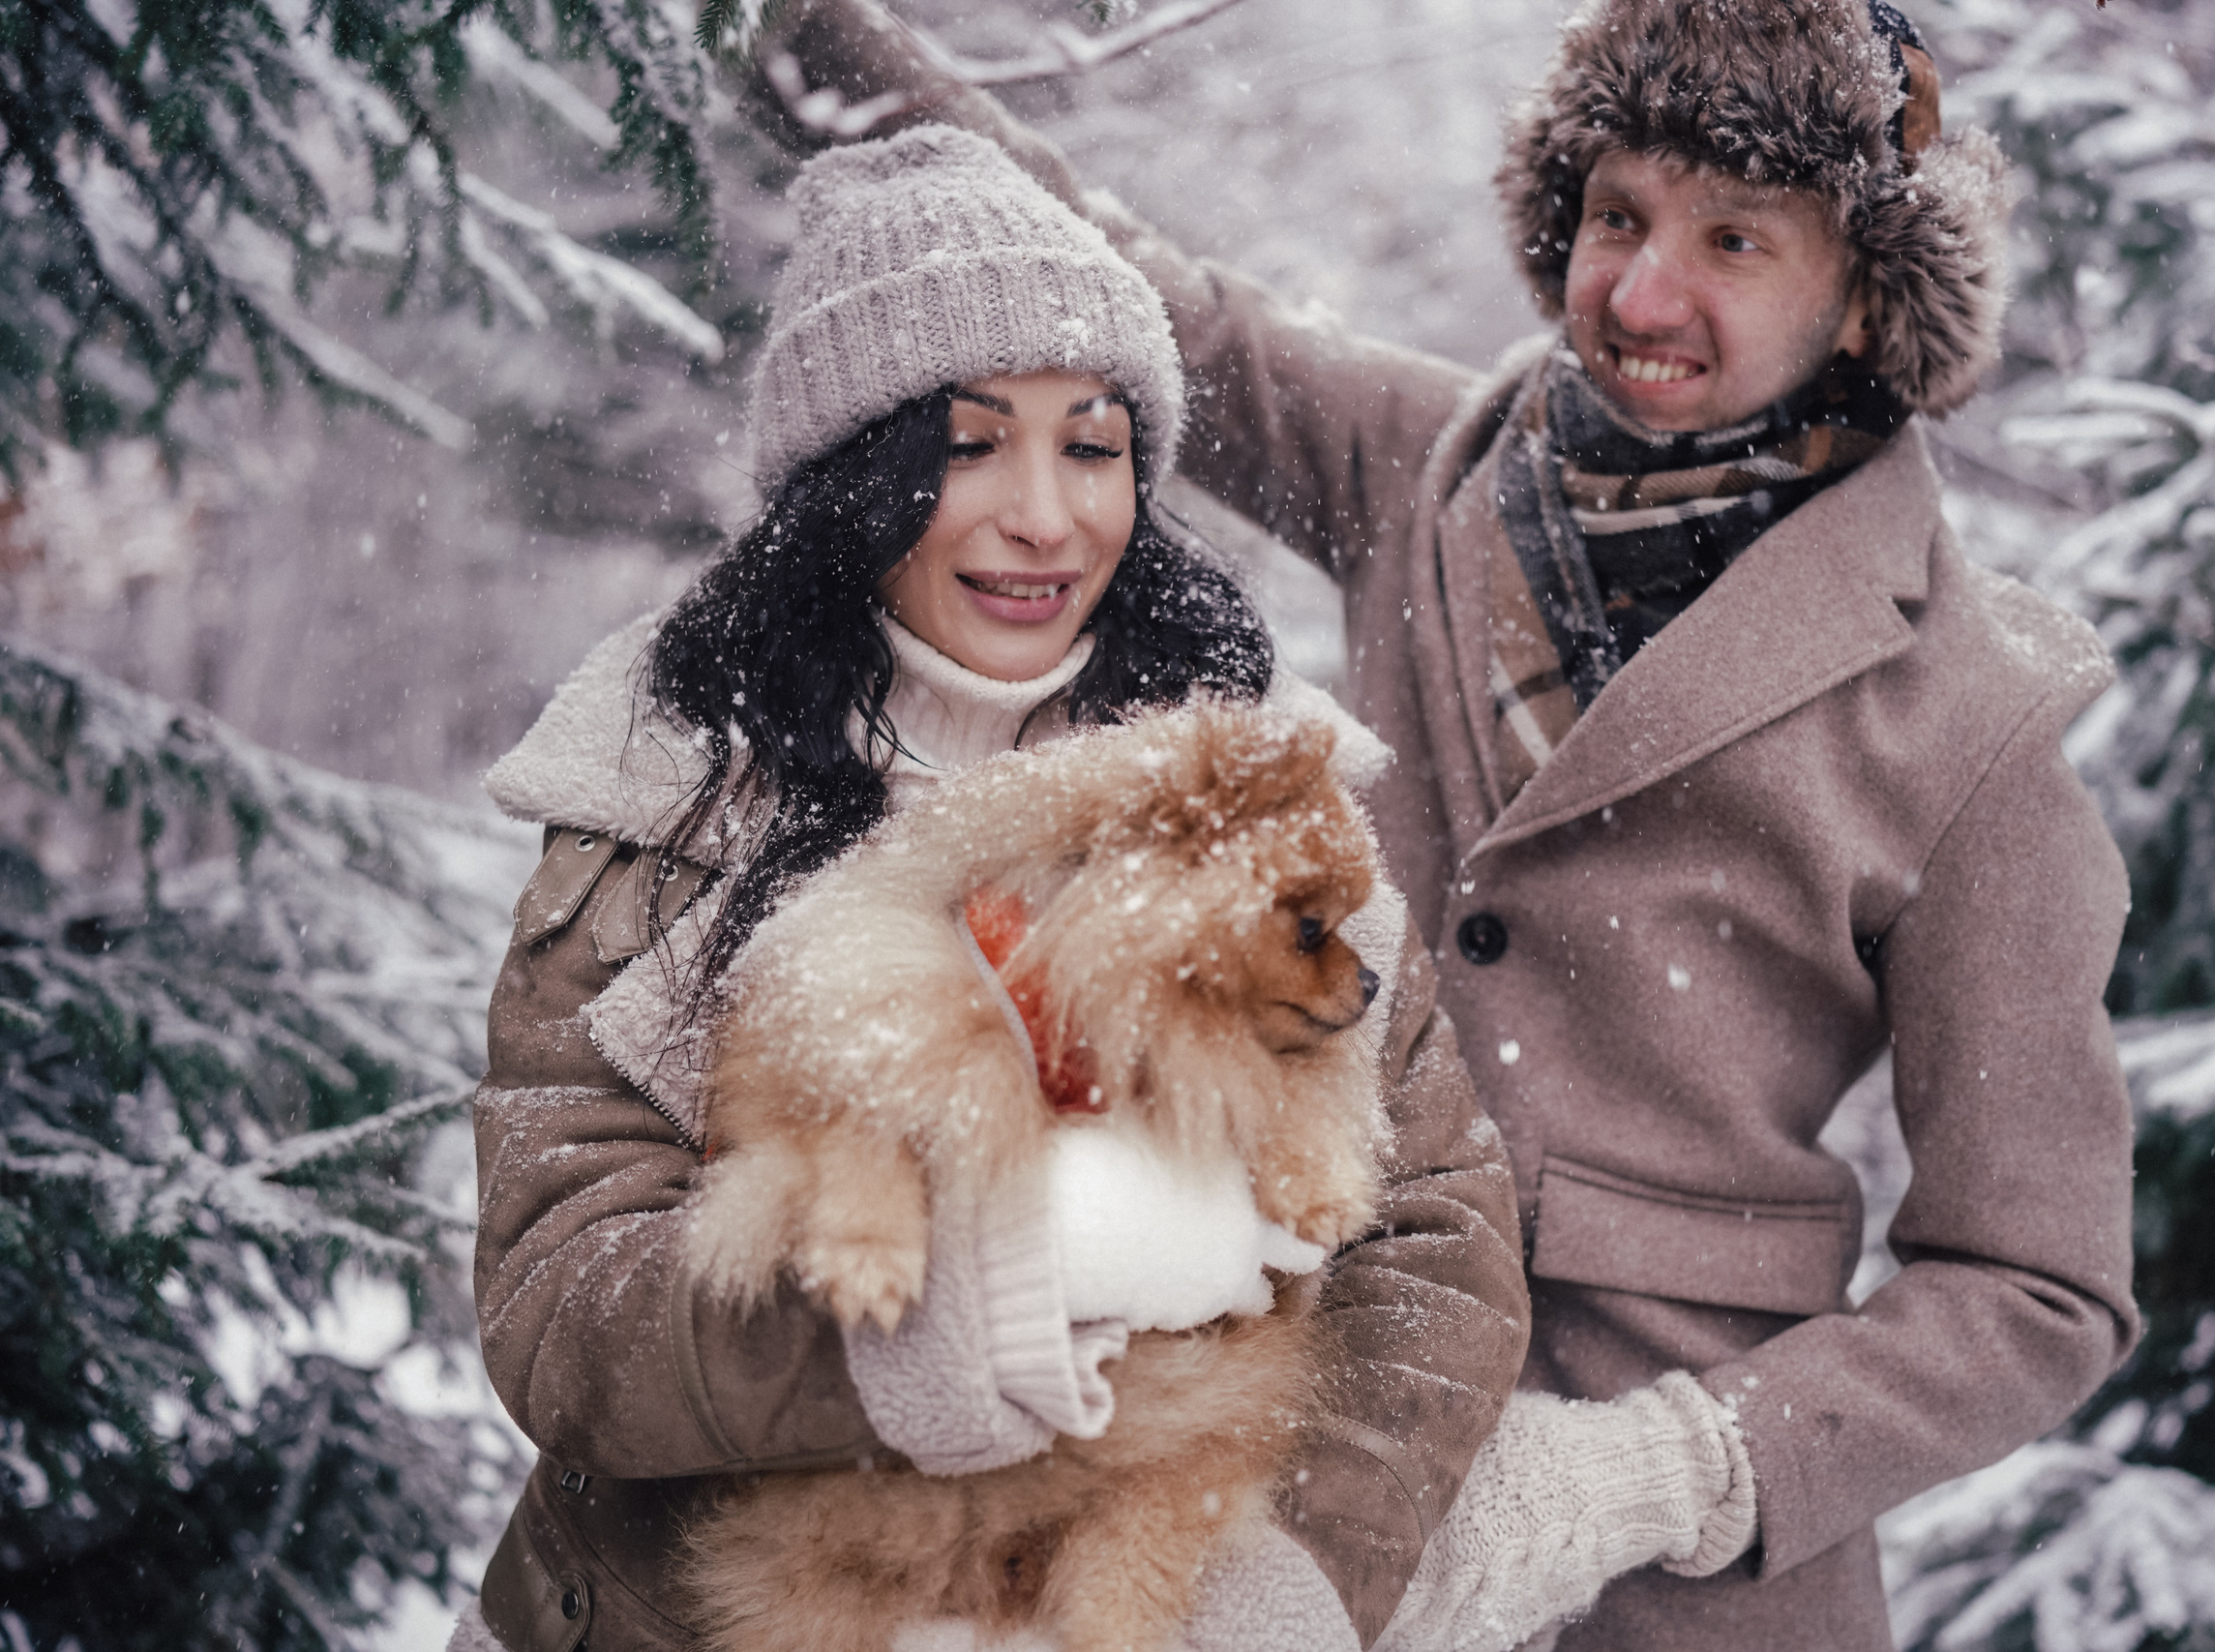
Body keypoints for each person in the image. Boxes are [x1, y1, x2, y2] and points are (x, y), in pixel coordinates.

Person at [741, 2, 2145, 1647]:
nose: (1639, 292)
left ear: (1861, 297)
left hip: (1665, 1575)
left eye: (1736, 238)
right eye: (1617, 214)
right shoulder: (1429, 463)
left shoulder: (1969, 714)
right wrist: (797, 26)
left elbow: (2039, 1288)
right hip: (1300, 1459)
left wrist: (1665, 1473)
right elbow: (1111, 282)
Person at [451, 126, 1527, 1652]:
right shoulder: (665, 786)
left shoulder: (1251, 788)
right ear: (854, 479)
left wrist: (1274, 1590)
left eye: (1092, 446)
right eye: (968, 445)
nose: (1044, 515)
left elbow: (1441, 1250)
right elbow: (561, 1309)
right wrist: (958, 1314)